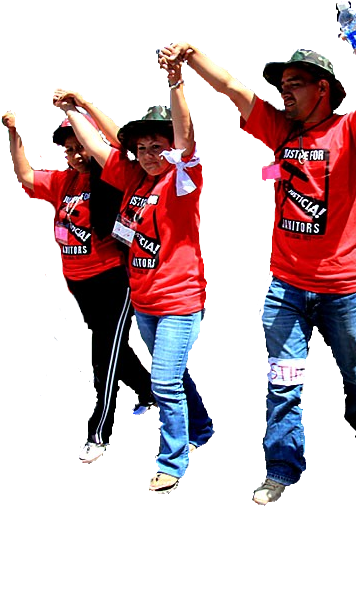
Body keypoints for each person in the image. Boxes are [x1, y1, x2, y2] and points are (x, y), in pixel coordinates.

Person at [156, 34, 356, 505]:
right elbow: (232, 89)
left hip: (344, 287)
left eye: (295, 83)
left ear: (324, 88)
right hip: (285, 287)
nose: (284, 92)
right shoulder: (280, 130)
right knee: (283, 382)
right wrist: (193, 56)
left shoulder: (352, 130)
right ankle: (281, 468)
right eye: (282, 84)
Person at [53, 48, 214, 494]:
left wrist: (176, 82)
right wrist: (73, 109)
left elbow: (184, 135)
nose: (146, 154)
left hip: (180, 301)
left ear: (173, 150)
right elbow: (101, 146)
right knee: (174, 376)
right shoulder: (134, 179)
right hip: (144, 302)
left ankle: (173, 462)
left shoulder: (182, 181)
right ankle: (201, 429)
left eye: (155, 147)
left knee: (162, 380)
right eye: (140, 148)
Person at [3, 104, 152, 464]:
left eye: (79, 146)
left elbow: (118, 144)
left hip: (113, 278)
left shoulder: (113, 175)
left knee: (103, 353)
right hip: (78, 281)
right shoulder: (62, 182)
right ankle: (149, 392)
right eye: (68, 150)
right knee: (113, 347)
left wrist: (83, 107)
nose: (74, 156)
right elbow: (24, 176)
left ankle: (98, 432)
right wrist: (13, 132)